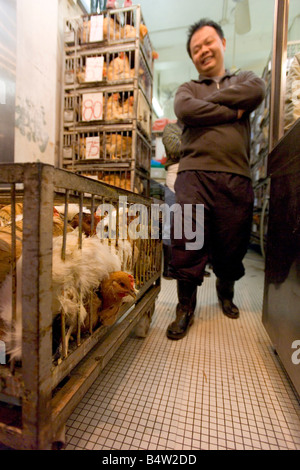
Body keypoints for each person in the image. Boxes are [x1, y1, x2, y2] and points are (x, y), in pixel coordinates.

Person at [166, 18, 266, 340]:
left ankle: (226, 290)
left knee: (232, 243)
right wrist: (232, 112)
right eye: (196, 49)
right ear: (192, 57)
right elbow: (184, 109)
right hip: (193, 175)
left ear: (222, 42)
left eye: (208, 42)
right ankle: (185, 307)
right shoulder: (187, 89)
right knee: (186, 242)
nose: (203, 50)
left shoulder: (246, 78)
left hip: (236, 175)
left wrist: (203, 109)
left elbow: (257, 90)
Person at [161, 120, 182, 278]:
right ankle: (168, 267)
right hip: (175, 176)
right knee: (171, 223)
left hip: (195, 175)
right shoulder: (171, 128)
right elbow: (174, 149)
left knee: (194, 222)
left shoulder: (196, 127)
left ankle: (190, 265)